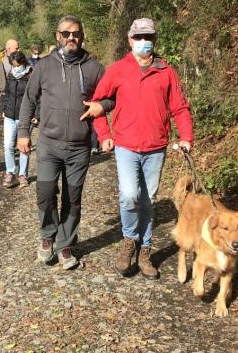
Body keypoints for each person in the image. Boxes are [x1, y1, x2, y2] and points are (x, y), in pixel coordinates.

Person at [90, 18, 194, 279]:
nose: (143, 42)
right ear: (130, 40)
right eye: (138, 37)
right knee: (129, 195)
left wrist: (186, 137)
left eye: (148, 37)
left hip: (155, 147)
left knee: (148, 200)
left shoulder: (166, 71)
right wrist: (104, 135)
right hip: (125, 145)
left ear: (154, 40)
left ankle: (145, 249)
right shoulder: (117, 70)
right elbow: (97, 104)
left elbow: (179, 108)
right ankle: (129, 241)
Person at [17, 15, 113, 270]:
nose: (72, 38)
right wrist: (23, 133)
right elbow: (29, 99)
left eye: (77, 33)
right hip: (49, 143)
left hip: (79, 148)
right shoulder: (45, 65)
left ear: (82, 36)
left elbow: (111, 97)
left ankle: (66, 244)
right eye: (67, 33)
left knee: (73, 197)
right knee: (45, 193)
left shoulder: (94, 67)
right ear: (57, 36)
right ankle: (47, 237)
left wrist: (100, 105)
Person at [0, 50, 33, 189]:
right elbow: (6, 93)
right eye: (13, 65)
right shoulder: (11, 75)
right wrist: (4, 107)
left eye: (17, 65)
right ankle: (10, 173)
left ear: (22, 62)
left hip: (24, 117)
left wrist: (36, 115)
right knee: (8, 145)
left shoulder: (31, 75)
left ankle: (22, 175)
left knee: (23, 147)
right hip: (9, 116)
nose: (15, 68)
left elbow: (36, 96)